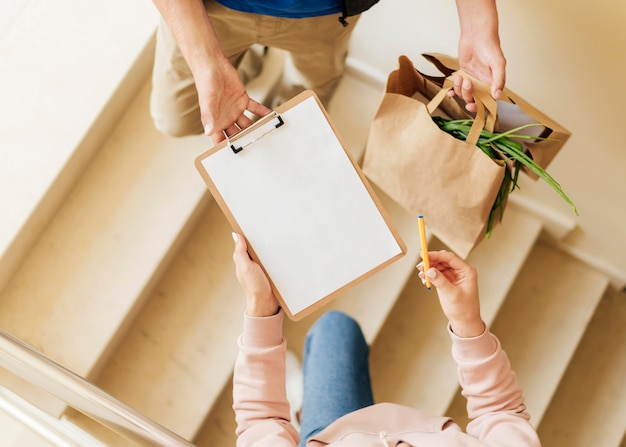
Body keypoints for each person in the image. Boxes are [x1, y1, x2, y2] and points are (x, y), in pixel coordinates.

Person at [230, 232, 541, 446]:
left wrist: (261, 307)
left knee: (333, 329)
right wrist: (467, 321)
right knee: (338, 328)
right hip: (378, 428)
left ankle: (302, 417)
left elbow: (261, 418)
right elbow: (501, 413)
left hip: (332, 434)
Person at [150, 0, 506, 144]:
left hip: (326, 19)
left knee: (305, 92)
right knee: (177, 119)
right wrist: (207, 61)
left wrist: (478, 27)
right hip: (214, 11)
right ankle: (246, 56)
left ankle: (262, 58)